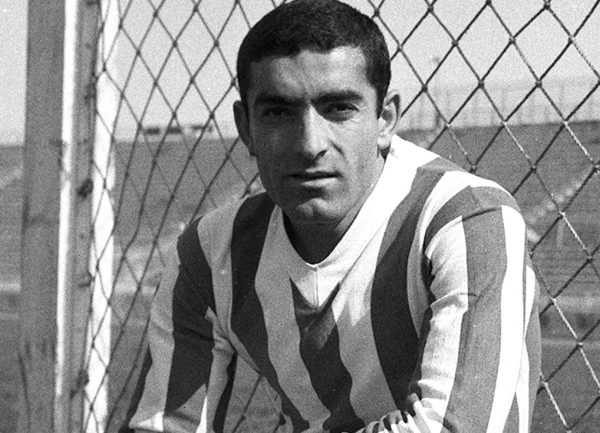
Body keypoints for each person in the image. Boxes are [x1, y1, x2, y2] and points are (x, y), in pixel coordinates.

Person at [122, 0, 541, 432]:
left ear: (385, 119)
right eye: (278, 112)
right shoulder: (211, 255)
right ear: (246, 128)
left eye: (339, 108)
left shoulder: (466, 220)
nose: (310, 144)